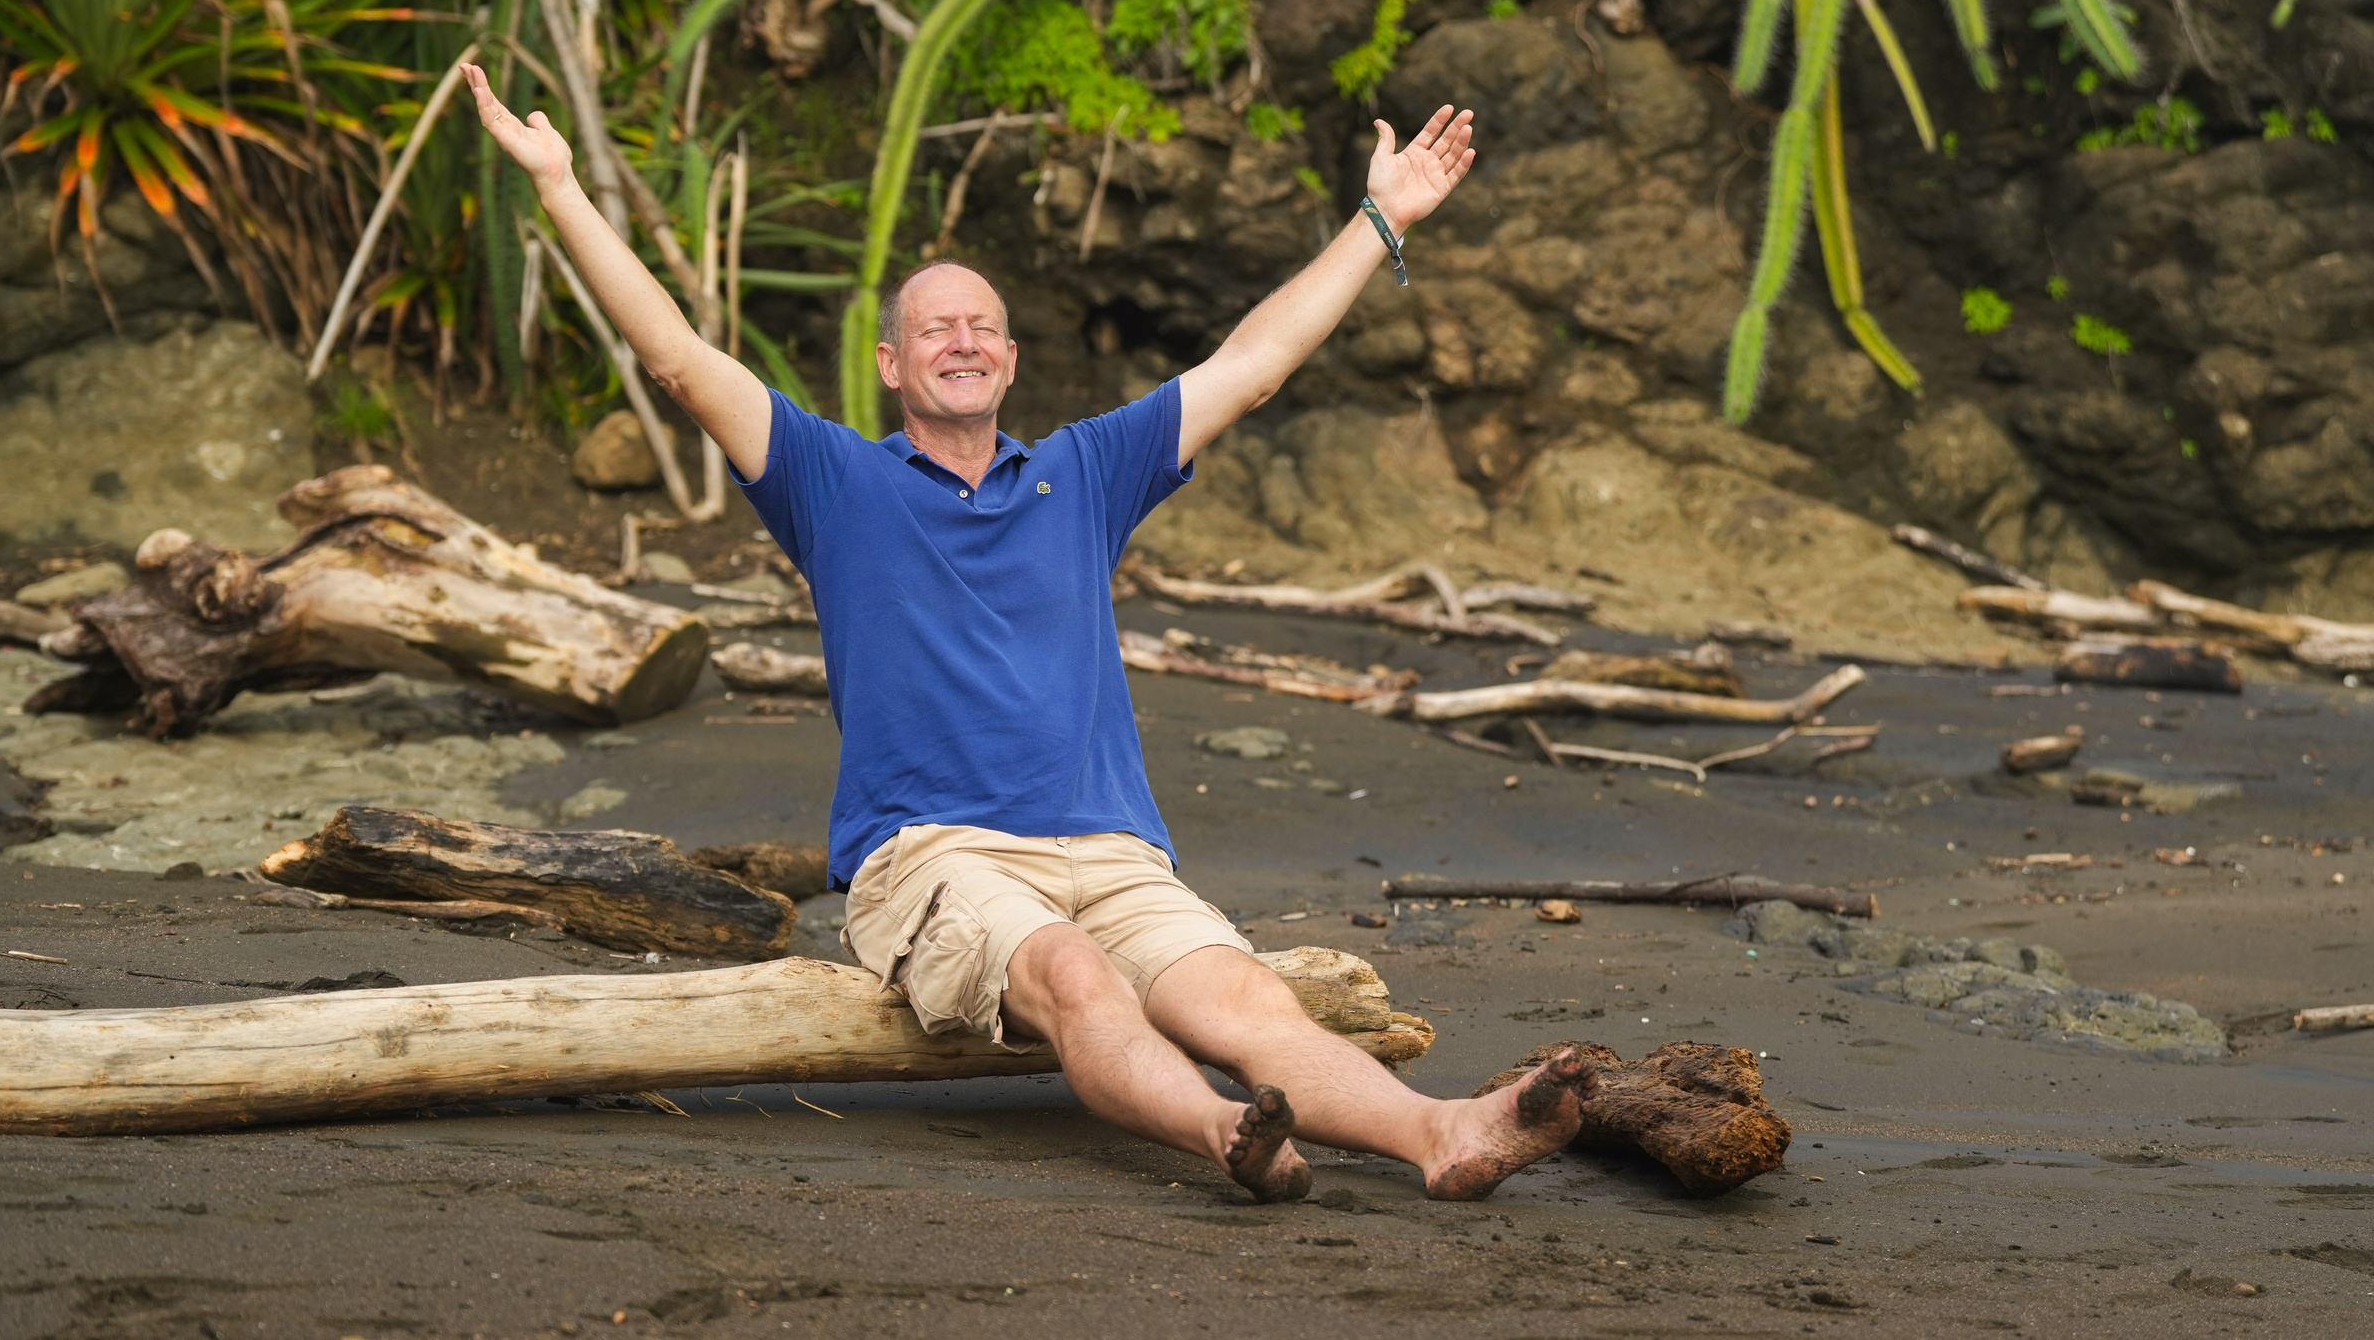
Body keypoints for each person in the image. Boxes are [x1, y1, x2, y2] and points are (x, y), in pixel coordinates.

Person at [462, 64, 1592, 1202]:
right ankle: (1221, 1130)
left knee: (1245, 998)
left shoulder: (1084, 470)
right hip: (936, 852)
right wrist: (560, 185)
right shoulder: (833, 479)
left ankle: (1441, 1129)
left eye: (983, 326)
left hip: (1113, 847)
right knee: (1071, 973)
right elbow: (678, 358)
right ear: (892, 363)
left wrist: (1379, 220)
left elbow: (1250, 368)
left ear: (1007, 358)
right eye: (933, 326)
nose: (962, 339)